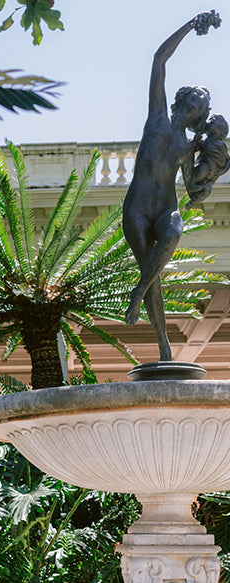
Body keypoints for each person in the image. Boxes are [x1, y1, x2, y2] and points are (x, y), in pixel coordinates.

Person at [123, 10, 221, 361]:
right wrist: (191, 25)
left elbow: (192, 185)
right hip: (136, 208)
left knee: (174, 232)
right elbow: (159, 58)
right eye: (194, 97)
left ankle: (138, 292)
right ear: (182, 99)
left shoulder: (189, 146)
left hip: (166, 207)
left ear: (200, 115)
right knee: (152, 272)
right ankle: (164, 344)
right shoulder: (157, 115)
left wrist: (208, 180)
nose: (196, 103)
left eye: (202, 104)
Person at [183, 112, 230, 208]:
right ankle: (193, 190)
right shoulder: (204, 143)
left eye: (217, 121)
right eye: (211, 119)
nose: (212, 120)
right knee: (203, 169)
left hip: (212, 174)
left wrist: (221, 170)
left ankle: (192, 202)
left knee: (207, 188)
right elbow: (193, 148)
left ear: (223, 133)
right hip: (203, 170)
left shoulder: (222, 145)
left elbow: (227, 161)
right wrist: (196, 140)